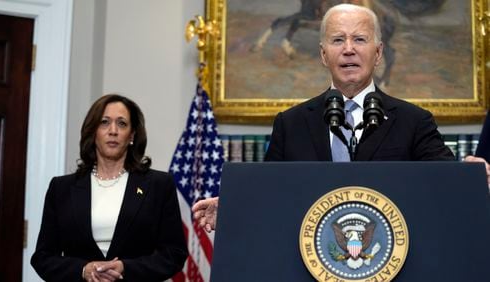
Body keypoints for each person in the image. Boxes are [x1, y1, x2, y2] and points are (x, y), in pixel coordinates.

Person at [192, 3, 487, 230]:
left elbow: (445, 183)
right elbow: (273, 193)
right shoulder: (291, 123)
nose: (348, 49)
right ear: (323, 54)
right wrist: (234, 209)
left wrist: (473, 176)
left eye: (359, 39)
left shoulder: (414, 121)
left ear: (378, 51)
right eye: (337, 40)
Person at [31, 95, 188, 281]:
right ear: (93, 132)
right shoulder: (61, 188)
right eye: (104, 122)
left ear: (132, 135)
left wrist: (125, 268)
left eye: (122, 124)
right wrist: (83, 270)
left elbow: (174, 254)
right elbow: (43, 257)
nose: (113, 131)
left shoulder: (159, 185)